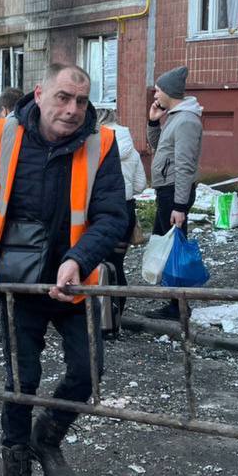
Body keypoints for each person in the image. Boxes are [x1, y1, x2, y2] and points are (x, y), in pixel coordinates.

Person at [0, 64, 128, 476]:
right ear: (40, 93)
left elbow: (112, 217)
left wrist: (78, 259)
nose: (72, 110)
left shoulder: (101, 144)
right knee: (21, 381)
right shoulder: (1, 136)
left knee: (88, 373)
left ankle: (46, 437)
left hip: (73, 284)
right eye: (63, 97)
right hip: (18, 286)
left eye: (82, 101)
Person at [145, 66, 204, 320]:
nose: (155, 94)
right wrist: (153, 122)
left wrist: (179, 206)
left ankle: (178, 306)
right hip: (168, 191)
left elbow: (184, 165)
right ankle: (174, 303)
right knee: (165, 245)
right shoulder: (176, 117)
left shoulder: (187, 120)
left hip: (174, 194)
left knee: (172, 249)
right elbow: (161, 151)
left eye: (158, 90)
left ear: (168, 91)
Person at [97, 108, 147, 331]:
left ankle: (103, 319)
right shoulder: (133, 151)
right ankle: (117, 314)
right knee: (117, 264)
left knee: (100, 266)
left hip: (102, 212)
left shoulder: (97, 145)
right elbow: (140, 186)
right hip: (126, 212)